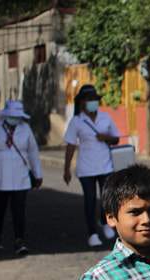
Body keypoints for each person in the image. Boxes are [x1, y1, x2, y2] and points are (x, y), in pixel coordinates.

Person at [64, 84, 121, 247]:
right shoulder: (76, 121)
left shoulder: (106, 117)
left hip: (106, 165)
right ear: (82, 102)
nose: (93, 102)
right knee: (89, 200)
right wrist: (66, 169)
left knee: (106, 198)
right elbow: (70, 145)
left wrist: (106, 138)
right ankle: (92, 233)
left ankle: (104, 222)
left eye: (95, 99)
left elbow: (116, 138)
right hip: (86, 168)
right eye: (89, 100)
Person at [0, 100, 42, 255]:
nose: (15, 119)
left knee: (19, 212)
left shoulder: (25, 128)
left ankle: (19, 241)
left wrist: (38, 174)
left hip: (20, 177)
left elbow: (33, 152)